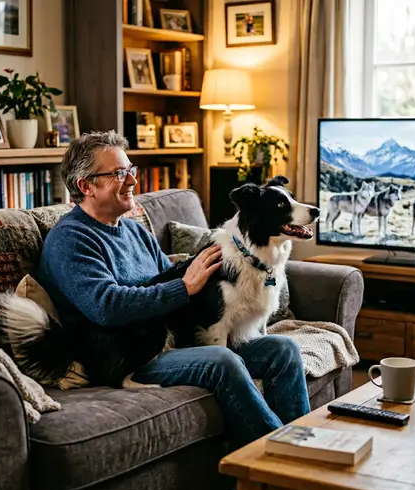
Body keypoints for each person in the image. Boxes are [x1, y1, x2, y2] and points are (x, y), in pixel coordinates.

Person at [38, 130, 310, 450]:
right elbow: (106, 306)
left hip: (164, 338)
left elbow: (162, 280)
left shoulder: (131, 229)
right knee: (222, 361)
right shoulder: (70, 240)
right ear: (86, 186)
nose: (132, 181)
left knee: (283, 350)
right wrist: (184, 286)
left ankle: (303, 443)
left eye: (132, 171)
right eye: (119, 173)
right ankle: (283, 457)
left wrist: (203, 271)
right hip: (127, 357)